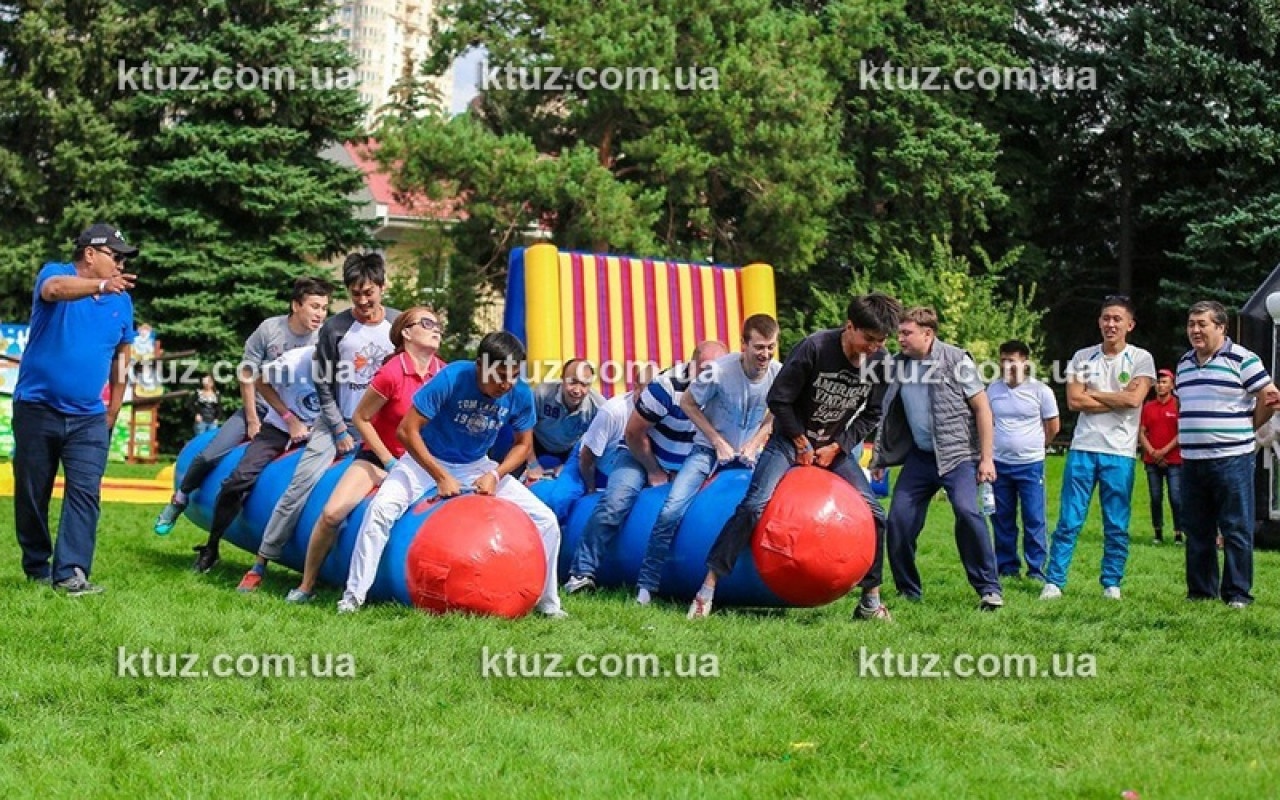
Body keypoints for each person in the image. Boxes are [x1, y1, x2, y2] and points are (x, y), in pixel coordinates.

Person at [689, 294, 902, 621]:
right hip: (788, 441)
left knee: (876, 514)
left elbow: (873, 413)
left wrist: (838, 446)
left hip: (832, 447)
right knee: (754, 505)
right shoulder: (815, 348)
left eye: (881, 340)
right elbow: (779, 399)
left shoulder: (880, 363)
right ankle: (708, 588)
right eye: (869, 338)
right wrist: (801, 441)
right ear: (850, 327)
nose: (874, 347)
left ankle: (870, 602)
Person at [338, 332, 565, 617]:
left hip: (476, 464)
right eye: (499, 376)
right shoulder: (453, 378)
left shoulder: (519, 392)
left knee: (547, 520)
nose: (506, 384)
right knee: (380, 511)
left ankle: (548, 603)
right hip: (424, 461)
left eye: (513, 375)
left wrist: (495, 475)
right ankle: (354, 597)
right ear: (480, 366)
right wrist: (440, 475)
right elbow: (406, 430)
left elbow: (523, 445)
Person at [218, 254, 398, 575]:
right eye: (355, 293)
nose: (362, 301)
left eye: (369, 293)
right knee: (300, 484)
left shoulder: (397, 326)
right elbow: (323, 384)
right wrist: (339, 430)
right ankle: (262, 561)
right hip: (337, 422)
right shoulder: (336, 328)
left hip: (382, 425)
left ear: (382, 287)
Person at [280, 307, 446, 602]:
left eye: (438, 324)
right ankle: (306, 585)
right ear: (406, 333)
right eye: (427, 323)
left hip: (422, 462)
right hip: (380, 457)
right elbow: (361, 418)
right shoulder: (392, 372)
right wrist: (388, 461)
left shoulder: (444, 374)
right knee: (332, 514)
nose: (436, 329)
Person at [12, 224, 137, 595]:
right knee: (32, 492)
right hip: (37, 408)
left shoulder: (121, 301)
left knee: (85, 492)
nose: (121, 265)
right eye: (116, 256)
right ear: (90, 254)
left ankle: (70, 574)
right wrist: (100, 286)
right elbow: (53, 291)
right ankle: (37, 565)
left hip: (88, 417)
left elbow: (122, 358)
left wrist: (113, 409)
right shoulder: (56, 273)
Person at [153, 277, 333, 535]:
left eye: (324, 308)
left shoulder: (324, 337)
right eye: (314, 307)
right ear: (296, 305)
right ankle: (179, 499)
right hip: (261, 409)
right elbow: (247, 373)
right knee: (210, 454)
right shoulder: (270, 330)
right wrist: (251, 420)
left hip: (302, 416)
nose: (320, 314)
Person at [565, 340, 729, 595]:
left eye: (716, 370)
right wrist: (653, 470)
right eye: (705, 369)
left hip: (686, 461)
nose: (710, 376)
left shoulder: (724, 390)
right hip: (639, 453)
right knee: (616, 501)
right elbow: (633, 433)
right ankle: (581, 573)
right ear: (692, 364)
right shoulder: (666, 386)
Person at [637, 314, 780, 605]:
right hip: (708, 450)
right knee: (671, 509)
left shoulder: (778, 373)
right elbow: (687, 402)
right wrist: (716, 441)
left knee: (768, 508)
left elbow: (779, 409)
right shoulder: (718, 370)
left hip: (749, 453)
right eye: (759, 347)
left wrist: (756, 442)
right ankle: (647, 584)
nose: (765, 354)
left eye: (771, 347)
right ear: (743, 345)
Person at [1041, 295, 1155, 601]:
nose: (1111, 324)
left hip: (1120, 453)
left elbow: (1134, 400)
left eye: (1117, 319)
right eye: (1106, 318)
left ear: (1130, 325)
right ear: (1099, 322)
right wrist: (1118, 398)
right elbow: (1074, 401)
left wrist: (1095, 393)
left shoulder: (1141, 358)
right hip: (1083, 448)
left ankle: (1111, 583)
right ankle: (1054, 582)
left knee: (1116, 523)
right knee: (1069, 519)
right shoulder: (1083, 357)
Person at [1177, 300, 1280, 608]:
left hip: (1232, 458)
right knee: (1197, 530)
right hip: (1192, 460)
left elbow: (1271, 397)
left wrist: (1248, 427)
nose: (1195, 330)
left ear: (1221, 327)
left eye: (1202, 324)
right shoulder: (1184, 363)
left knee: (1235, 527)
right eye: (1191, 324)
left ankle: (1237, 594)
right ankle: (1201, 592)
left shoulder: (1242, 359)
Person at [191, 345, 322, 573]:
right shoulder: (293, 361)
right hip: (279, 429)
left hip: (321, 433)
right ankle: (211, 547)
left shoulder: (347, 362)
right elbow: (260, 381)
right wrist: (290, 419)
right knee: (238, 480)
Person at [987, 340, 1060, 581]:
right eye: (1003, 360)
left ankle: (1036, 569)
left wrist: (1038, 446)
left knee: (1034, 518)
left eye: (1012, 361)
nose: (1006, 365)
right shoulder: (992, 390)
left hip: (1030, 465)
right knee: (1002, 518)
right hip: (999, 463)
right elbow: (987, 423)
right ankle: (1007, 567)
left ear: (1025, 363)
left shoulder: (1041, 391)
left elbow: (1053, 426)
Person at [524, 359, 604, 480]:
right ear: (562, 379)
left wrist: (568, 466)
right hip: (537, 440)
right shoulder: (542, 393)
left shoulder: (598, 407)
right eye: (572, 382)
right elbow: (523, 428)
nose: (577, 390)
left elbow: (598, 443)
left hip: (569, 448)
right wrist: (532, 463)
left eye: (584, 384)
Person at [1140, 369, 1184, 545]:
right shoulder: (1148, 407)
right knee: (1155, 497)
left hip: (1174, 459)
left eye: (1164, 382)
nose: (1160, 385)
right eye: (1158, 382)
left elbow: (1182, 433)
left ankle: (1178, 532)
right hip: (1152, 460)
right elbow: (1142, 432)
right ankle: (1157, 532)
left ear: (1172, 385)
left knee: (1176, 497)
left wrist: (1164, 451)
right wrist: (1152, 452)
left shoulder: (1178, 406)